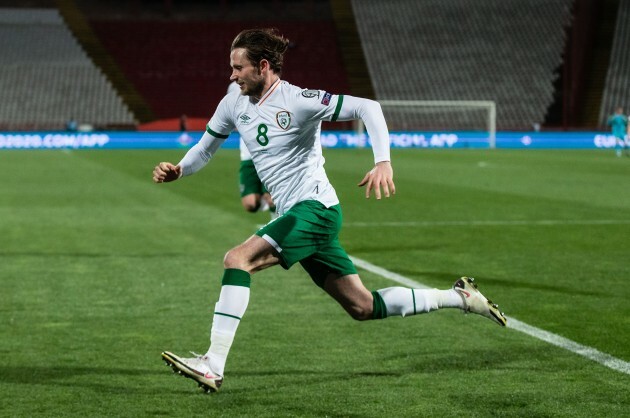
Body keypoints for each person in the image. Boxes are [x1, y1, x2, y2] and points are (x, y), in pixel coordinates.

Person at [152, 28, 507, 393]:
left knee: (237, 259)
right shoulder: (233, 104)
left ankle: (213, 363)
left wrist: (382, 161)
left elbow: (368, 107)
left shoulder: (299, 100)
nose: (232, 75)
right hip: (296, 214)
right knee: (363, 306)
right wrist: (180, 169)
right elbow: (205, 148)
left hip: (315, 209)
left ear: (262, 66)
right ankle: (460, 297)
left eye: (238, 68)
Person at [227, 81, 277, 218]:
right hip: (248, 157)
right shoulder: (233, 87)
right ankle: (270, 198)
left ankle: (277, 227)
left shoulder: (260, 83)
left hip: (268, 155)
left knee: (272, 198)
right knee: (250, 204)